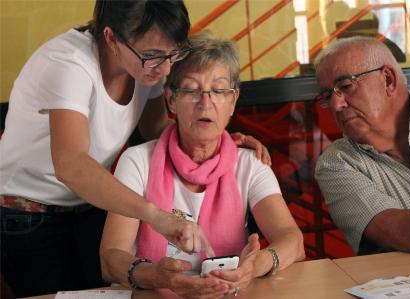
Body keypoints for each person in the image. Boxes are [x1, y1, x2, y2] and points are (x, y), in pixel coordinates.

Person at [0, 1, 269, 297]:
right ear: (112, 38)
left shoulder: (146, 66)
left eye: (172, 54)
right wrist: (156, 216)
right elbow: (71, 165)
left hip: (89, 205)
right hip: (28, 213)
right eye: (153, 56)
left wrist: (222, 143)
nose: (166, 68)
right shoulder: (69, 64)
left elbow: (157, 130)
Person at [100, 32, 305, 298]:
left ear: (233, 102)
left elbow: (293, 240)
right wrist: (156, 277)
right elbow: (110, 259)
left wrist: (255, 266)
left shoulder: (250, 163)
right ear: (171, 99)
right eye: (192, 89)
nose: (205, 103)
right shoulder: (137, 162)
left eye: (219, 91)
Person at [314, 36, 410, 257]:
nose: (336, 105)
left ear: (388, 80)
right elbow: (395, 230)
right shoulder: (336, 163)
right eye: (328, 96)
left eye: (346, 86)